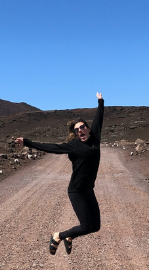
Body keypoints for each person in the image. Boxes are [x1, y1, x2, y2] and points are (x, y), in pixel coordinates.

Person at [14, 92, 105, 255]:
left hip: (88, 190)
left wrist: (100, 102)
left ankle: (69, 237)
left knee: (95, 226)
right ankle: (59, 236)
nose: (80, 131)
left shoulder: (95, 138)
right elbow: (51, 147)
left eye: (82, 127)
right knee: (85, 226)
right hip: (76, 191)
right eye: (77, 130)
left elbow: (99, 118)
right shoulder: (74, 145)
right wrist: (27, 142)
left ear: (88, 128)